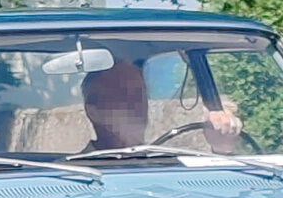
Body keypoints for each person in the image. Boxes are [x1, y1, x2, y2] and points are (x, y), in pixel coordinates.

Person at [79, 59, 242, 153]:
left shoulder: (165, 162)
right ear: (93, 110)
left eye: (139, 93)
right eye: (121, 94)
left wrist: (221, 147)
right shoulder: (70, 174)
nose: (136, 103)